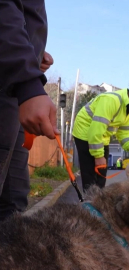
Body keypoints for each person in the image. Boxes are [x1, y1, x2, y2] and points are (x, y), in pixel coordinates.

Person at [0, 1, 57, 221]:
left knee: (13, 201)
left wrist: (33, 54)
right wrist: (27, 80)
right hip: (15, 86)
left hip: (14, 93)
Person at [72, 84, 129, 191]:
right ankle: (88, 205)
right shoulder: (111, 101)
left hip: (101, 137)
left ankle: (98, 204)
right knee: (90, 177)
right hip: (85, 133)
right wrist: (98, 156)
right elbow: (95, 130)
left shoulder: (128, 109)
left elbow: (124, 132)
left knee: (101, 178)